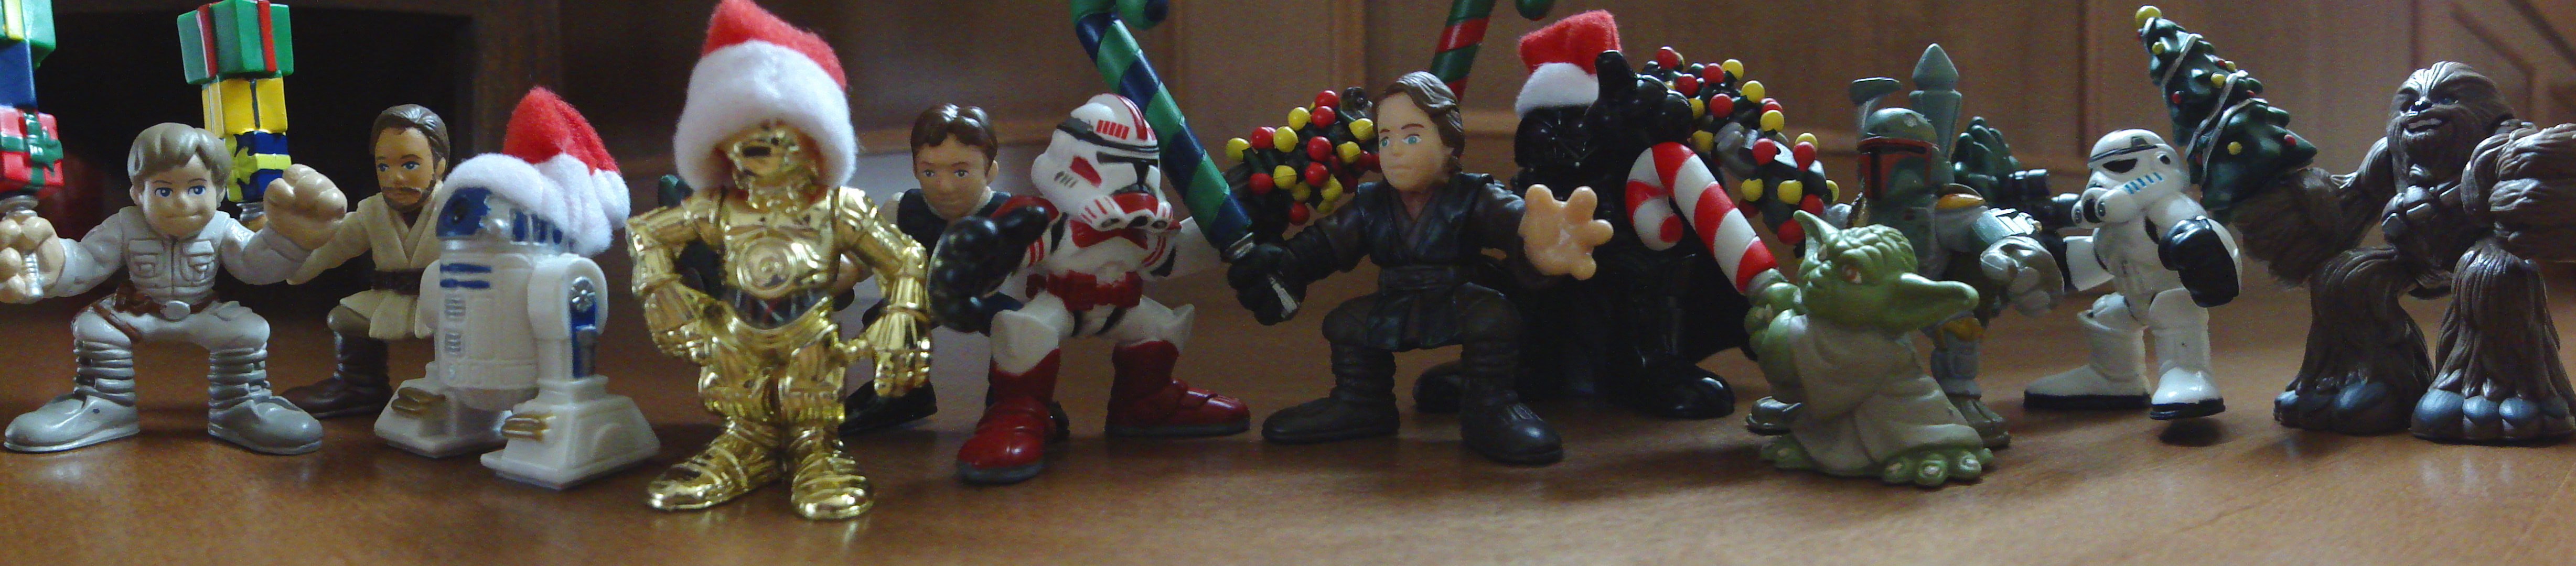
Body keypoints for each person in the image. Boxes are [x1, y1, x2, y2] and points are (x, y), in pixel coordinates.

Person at [1230, 72, 1612, 464]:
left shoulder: (1473, 195)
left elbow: (1516, 220)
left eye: (1412, 138)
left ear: (1449, 143)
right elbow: (1325, 243)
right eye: (1385, 139)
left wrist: (1541, 238)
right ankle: (1362, 401)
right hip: (1396, 299)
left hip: (1458, 294)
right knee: (1346, 324)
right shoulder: (1373, 203)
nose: (1395, 151)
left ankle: (1491, 405)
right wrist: (1285, 265)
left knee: (1495, 317)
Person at [0, 123, 346, 454]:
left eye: (196, 189)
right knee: (94, 327)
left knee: (249, 330)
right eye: (164, 191)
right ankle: (104, 402)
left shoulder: (222, 227)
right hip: (137, 310)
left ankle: (240, 403)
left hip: (203, 310)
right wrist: (53, 260)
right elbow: (87, 261)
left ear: (219, 192)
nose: (181, 202)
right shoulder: (125, 225)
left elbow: (255, 265)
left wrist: (289, 240)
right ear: (139, 194)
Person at [279, 104, 454, 418]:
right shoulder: (372, 212)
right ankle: (360, 388)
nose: (394, 178)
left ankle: (462, 389)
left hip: (450, 302)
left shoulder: (458, 209)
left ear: (439, 166)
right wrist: (289, 245)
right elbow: (331, 246)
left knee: (462, 331)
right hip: (393, 297)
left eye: (410, 164)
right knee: (345, 319)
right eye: (383, 166)